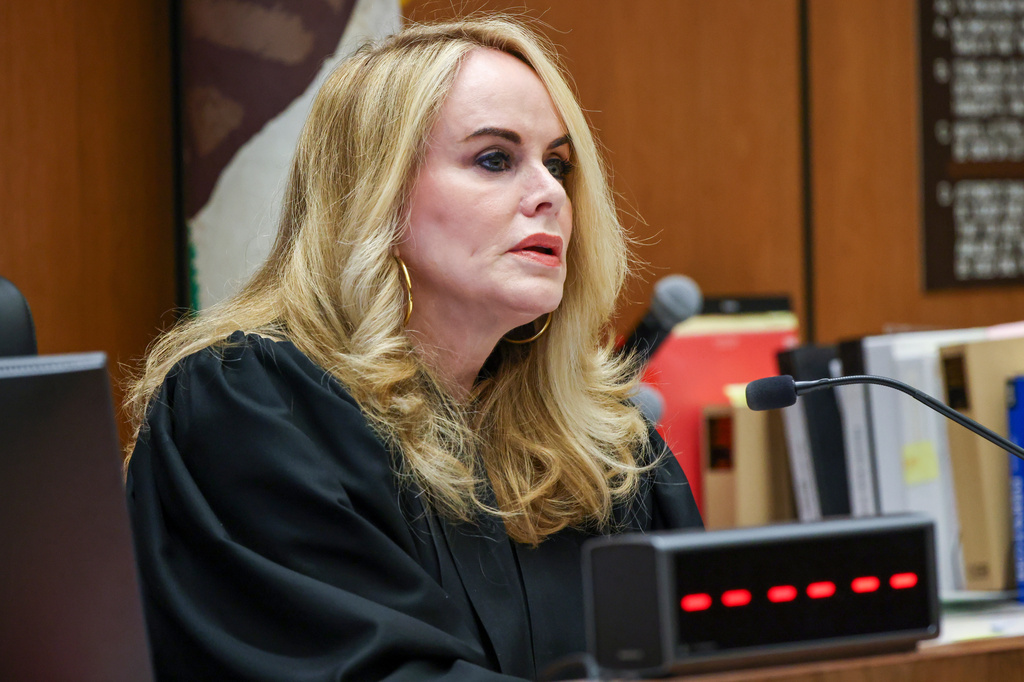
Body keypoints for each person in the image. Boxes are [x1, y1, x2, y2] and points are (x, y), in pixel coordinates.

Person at [124, 16, 702, 682]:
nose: (549, 194)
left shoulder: (602, 448)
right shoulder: (249, 406)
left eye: (557, 165)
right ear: (377, 197)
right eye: (495, 159)